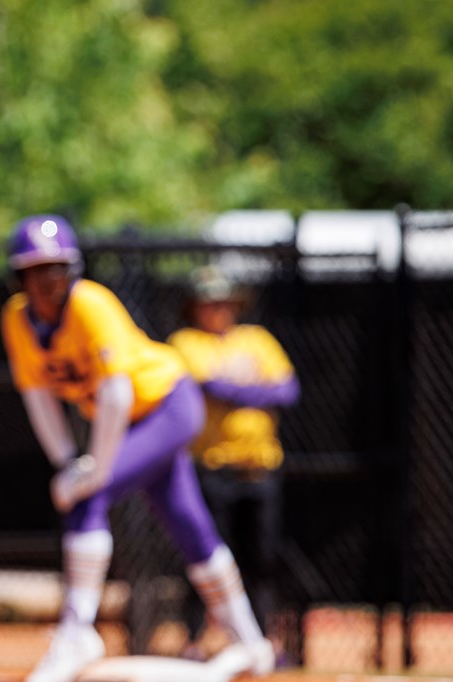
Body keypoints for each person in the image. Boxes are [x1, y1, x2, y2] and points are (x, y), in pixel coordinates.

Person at [0, 215, 275, 682]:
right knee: (189, 524)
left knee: (89, 496)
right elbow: (37, 394)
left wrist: (92, 470)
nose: (48, 280)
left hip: (168, 403)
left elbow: (117, 393)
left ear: (72, 269)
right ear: (19, 276)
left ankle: (77, 633)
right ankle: (251, 641)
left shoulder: (91, 304)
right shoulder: (16, 318)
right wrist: (66, 461)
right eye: (36, 269)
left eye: (56, 268)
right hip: (132, 420)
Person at [167, 265, 300, 661]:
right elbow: (210, 385)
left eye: (224, 302)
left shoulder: (257, 339)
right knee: (203, 559)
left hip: (259, 469)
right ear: (194, 307)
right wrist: (258, 390)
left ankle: (258, 643)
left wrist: (237, 393)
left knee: (260, 560)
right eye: (209, 302)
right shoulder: (185, 341)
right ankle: (195, 642)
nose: (217, 309)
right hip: (210, 469)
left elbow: (288, 389)